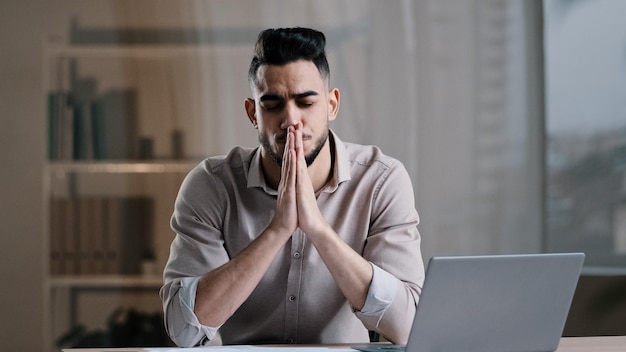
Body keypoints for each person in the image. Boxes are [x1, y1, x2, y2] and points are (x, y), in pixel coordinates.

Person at [160, 27, 424, 347]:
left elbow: (409, 326)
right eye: (272, 105)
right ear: (252, 113)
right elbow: (183, 330)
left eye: (305, 102)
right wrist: (277, 231)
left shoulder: (381, 181)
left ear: (332, 104)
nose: (290, 119)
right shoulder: (212, 185)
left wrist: (317, 229)